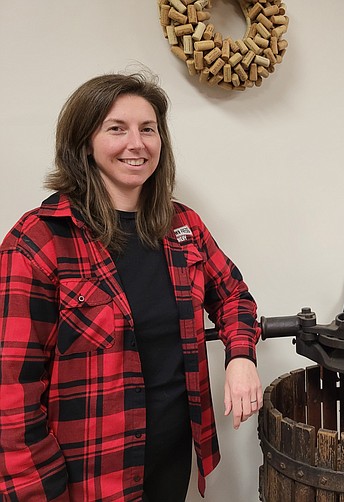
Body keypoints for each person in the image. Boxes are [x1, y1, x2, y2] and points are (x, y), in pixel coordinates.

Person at [0, 72, 263, 501]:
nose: (136, 144)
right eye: (116, 129)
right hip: (89, 476)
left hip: (172, 458)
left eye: (148, 129)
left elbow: (234, 296)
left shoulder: (183, 226)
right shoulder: (38, 241)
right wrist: (38, 492)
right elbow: (11, 395)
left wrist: (240, 357)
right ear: (84, 142)